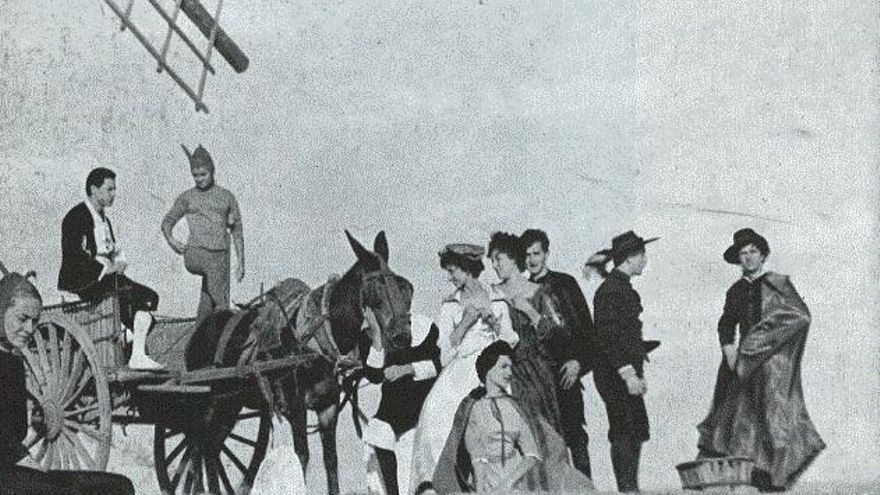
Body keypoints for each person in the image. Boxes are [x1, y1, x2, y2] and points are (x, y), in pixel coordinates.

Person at [696, 229, 825, 492]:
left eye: (753, 251)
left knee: (773, 422)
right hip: (741, 366)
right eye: (743, 254)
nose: (748, 258)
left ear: (763, 255)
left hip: (771, 368)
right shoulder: (736, 290)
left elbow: (800, 317)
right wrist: (729, 347)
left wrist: (764, 342)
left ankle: (772, 483)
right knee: (733, 424)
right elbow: (725, 323)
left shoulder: (778, 285)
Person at [0, 268, 135, 494]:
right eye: (22, 319)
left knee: (118, 487)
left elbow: (11, 442)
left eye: (34, 322)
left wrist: (31, 466)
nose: (30, 329)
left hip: (11, 472)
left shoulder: (12, 362)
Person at [408, 244, 516, 493]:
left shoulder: (497, 298)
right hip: (460, 371)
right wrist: (465, 323)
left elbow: (511, 340)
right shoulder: (450, 305)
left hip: (491, 369)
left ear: (468, 269)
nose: (451, 277)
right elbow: (445, 352)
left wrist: (494, 322)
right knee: (436, 415)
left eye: (453, 270)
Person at [428, 341, 594, 494]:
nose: (510, 372)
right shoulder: (471, 405)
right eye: (504, 367)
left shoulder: (517, 406)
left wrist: (507, 484)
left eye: (511, 367)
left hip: (516, 482)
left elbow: (533, 453)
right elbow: (471, 456)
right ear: (488, 369)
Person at [57, 167, 162, 370]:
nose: (114, 194)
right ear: (94, 189)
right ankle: (133, 349)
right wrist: (105, 269)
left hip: (108, 278)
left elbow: (113, 248)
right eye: (109, 189)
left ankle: (133, 349)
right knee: (138, 298)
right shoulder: (76, 217)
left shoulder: (104, 219)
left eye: (114, 189)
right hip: (85, 282)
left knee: (150, 297)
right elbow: (74, 255)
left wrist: (120, 262)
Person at [521, 228, 595, 478]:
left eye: (536, 253)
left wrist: (578, 361)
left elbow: (586, 329)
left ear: (546, 254)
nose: (532, 259)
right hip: (536, 378)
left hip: (565, 373)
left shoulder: (565, 284)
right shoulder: (519, 290)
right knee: (545, 441)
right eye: (527, 254)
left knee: (576, 437)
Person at [592, 230, 658, 492]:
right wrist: (628, 373)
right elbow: (608, 337)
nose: (645, 260)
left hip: (623, 370)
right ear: (630, 258)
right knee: (624, 430)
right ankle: (627, 489)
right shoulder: (612, 291)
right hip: (616, 374)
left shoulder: (618, 287)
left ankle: (631, 487)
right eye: (642, 255)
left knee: (636, 429)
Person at [488, 232, 565, 433]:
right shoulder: (492, 293)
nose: (494, 265)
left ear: (513, 259)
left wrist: (529, 311)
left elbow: (558, 332)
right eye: (492, 260)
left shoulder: (539, 291)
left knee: (542, 433)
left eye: (498, 259)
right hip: (503, 372)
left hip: (536, 374)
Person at [360, 311, 441, 495]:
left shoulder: (426, 328)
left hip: (420, 400)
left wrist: (407, 369)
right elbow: (374, 375)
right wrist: (377, 338)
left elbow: (438, 365)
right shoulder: (378, 333)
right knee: (378, 431)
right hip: (392, 405)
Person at [162, 145, 245, 323]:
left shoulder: (226, 196)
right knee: (218, 291)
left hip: (220, 255)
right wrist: (172, 240)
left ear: (212, 172)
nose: (199, 179)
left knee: (207, 301)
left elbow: (237, 231)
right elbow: (166, 222)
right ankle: (228, 316)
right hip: (196, 253)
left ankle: (198, 341)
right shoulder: (187, 197)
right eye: (195, 175)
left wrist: (241, 263)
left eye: (203, 174)